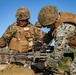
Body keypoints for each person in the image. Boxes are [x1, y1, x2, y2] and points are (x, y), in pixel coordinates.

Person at [34, 5, 76, 75]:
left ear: (52, 22)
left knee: (74, 70)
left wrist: (44, 64)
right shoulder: (58, 19)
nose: (47, 27)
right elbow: (50, 34)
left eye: (47, 25)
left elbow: (58, 53)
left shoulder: (63, 30)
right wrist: (40, 42)